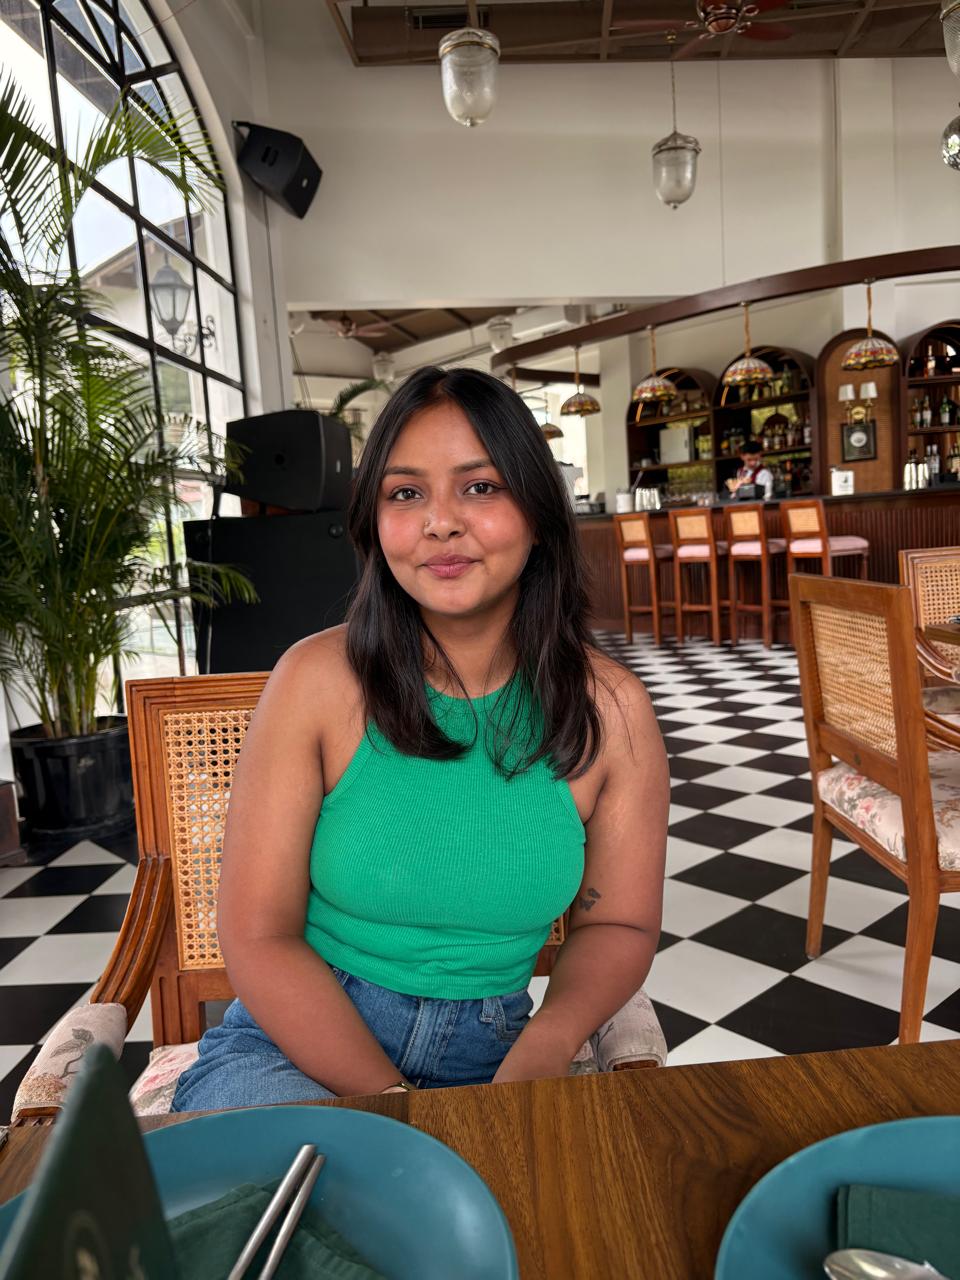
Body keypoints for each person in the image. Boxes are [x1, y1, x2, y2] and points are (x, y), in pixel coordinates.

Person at [172, 366, 668, 1111]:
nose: (441, 522)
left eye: (481, 486)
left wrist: (547, 1043)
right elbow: (257, 935)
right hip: (293, 1047)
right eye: (406, 493)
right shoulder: (313, 681)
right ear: (374, 521)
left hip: (497, 1049)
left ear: (537, 511)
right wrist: (390, 1103)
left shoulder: (611, 709)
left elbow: (620, 920)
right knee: (320, 1211)